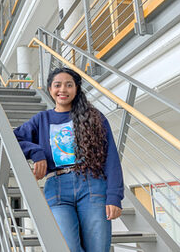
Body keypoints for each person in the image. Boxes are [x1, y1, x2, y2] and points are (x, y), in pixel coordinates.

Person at [14, 67, 124, 252]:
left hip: (92, 185)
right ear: (50, 89)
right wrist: (36, 152)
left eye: (69, 85)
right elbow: (14, 138)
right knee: (66, 248)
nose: (62, 90)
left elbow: (111, 157)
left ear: (77, 88)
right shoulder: (42, 119)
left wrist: (114, 196)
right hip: (56, 188)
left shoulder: (94, 117)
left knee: (98, 248)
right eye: (57, 85)